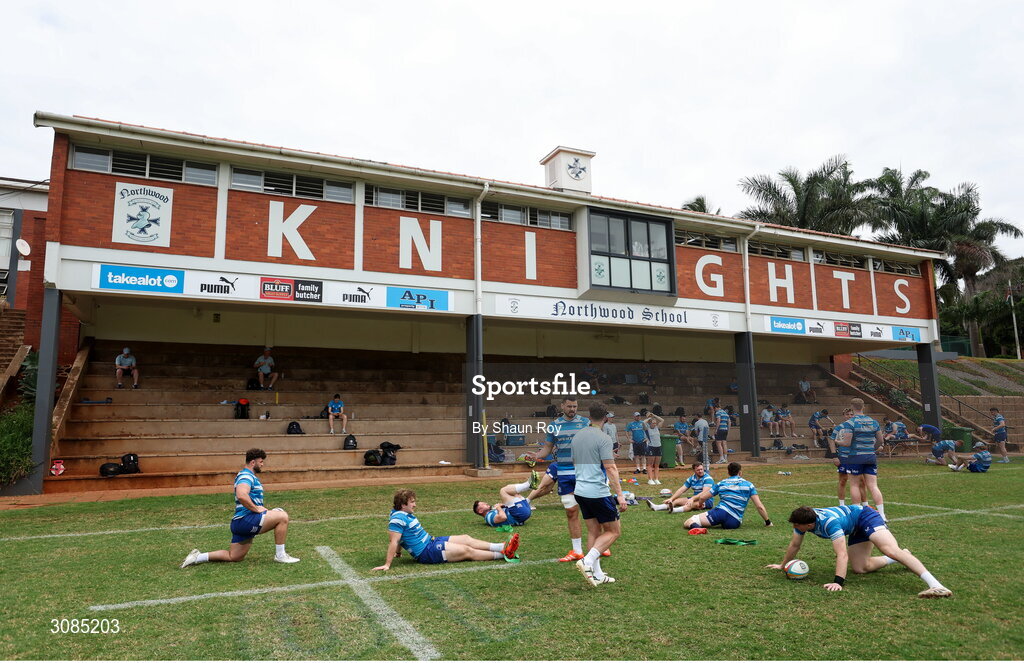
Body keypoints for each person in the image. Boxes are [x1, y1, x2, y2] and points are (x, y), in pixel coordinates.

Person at [767, 505, 952, 598]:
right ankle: (900, 557)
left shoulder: (830, 524)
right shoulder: (803, 522)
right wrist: (782, 565)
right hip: (854, 528)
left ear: (808, 525)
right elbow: (794, 546)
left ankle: (936, 585)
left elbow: (841, 554)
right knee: (861, 568)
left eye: (797, 525)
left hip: (866, 516)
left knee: (889, 548)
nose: (795, 527)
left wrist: (838, 582)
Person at [180, 448, 299, 567]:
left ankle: (197, 557)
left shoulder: (246, 475)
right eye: (261, 462)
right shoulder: (246, 476)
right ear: (253, 462)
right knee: (282, 516)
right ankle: (281, 555)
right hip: (246, 519)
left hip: (239, 523)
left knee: (234, 556)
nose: (262, 464)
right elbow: (241, 495)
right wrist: (257, 509)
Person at [374, 490, 520, 569]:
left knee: (466, 538)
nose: (415, 505)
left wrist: (399, 553)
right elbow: (394, 540)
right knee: (465, 550)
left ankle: (502, 546)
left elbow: (401, 537)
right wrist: (387, 564)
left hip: (431, 541)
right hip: (426, 553)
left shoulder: (402, 515)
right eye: (412, 502)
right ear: (402, 505)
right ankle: (504, 554)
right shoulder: (398, 518)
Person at [525, 397, 591, 562]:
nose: (572, 409)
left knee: (592, 510)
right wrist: (537, 455)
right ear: (562, 406)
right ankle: (577, 551)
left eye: (575, 406)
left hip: (584, 471)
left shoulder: (585, 422)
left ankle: (599, 545)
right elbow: (548, 448)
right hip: (564, 473)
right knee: (571, 511)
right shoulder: (554, 425)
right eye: (569, 406)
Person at [570, 402, 627, 586]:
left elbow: (574, 462)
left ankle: (597, 573)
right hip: (597, 492)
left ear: (589, 416)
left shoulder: (577, 436)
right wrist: (620, 495)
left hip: (580, 490)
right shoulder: (603, 438)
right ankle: (587, 562)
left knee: (594, 531)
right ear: (606, 418)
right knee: (614, 531)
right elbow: (610, 467)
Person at [832, 399, 887, 521]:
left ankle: (856, 514)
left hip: (855, 457)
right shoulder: (873, 421)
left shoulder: (851, 423)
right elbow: (880, 441)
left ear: (852, 407)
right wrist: (872, 448)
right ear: (863, 407)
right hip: (870, 456)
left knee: (854, 485)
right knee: (873, 486)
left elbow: (846, 443)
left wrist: (835, 441)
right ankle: (882, 515)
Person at [684, 462, 772, 531]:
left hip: (720, 513)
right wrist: (768, 522)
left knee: (689, 521)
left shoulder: (721, 483)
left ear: (728, 472)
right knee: (728, 521)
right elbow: (759, 506)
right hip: (734, 522)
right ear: (740, 473)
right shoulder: (749, 485)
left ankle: (698, 528)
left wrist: (700, 504)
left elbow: (703, 497)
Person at [473, 473, 540, 526]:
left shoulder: (491, 513)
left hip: (522, 512)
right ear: (480, 511)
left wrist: (503, 506)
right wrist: (498, 508)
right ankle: (528, 485)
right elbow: (503, 517)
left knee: (509, 489)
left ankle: (528, 486)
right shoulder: (489, 518)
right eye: (483, 504)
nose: (486, 503)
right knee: (503, 491)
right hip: (519, 514)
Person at [648, 462, 715, 513]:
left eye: (701, 469)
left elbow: (704, 493)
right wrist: (671, 498)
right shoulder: (691, 478)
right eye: (698, 470)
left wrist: (692, 499)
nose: (700, 471)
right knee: (676, 501)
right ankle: (657, 507)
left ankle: (674, 510)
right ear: (694, 470)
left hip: (707, 500)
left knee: (691, 504)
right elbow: (681, 490)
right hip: (694, 498)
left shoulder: (708, 478)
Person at [644, 412, 665, 485]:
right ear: (650, 423)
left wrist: (654, 415)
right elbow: (643, 422)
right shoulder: (647, 428)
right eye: (653, 423)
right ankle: (650, 479)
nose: (655, 424)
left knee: (657, 464)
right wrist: (649, 418)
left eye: (655, 423)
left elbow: (662, 420)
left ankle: (656, 479)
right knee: (650, 464)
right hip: (651, 447)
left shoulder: (657, 428)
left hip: (658, 447)